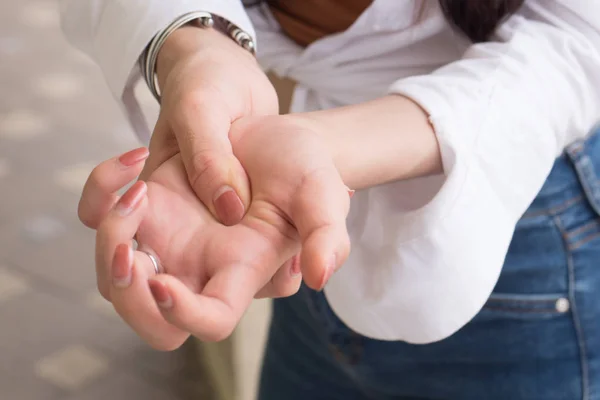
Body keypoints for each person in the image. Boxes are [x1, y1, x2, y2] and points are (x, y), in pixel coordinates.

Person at [62, 1, 600, 398]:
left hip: (513, 232)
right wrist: (195, 44)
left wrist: (323, 146)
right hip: (278, 230)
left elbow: (581, 35)